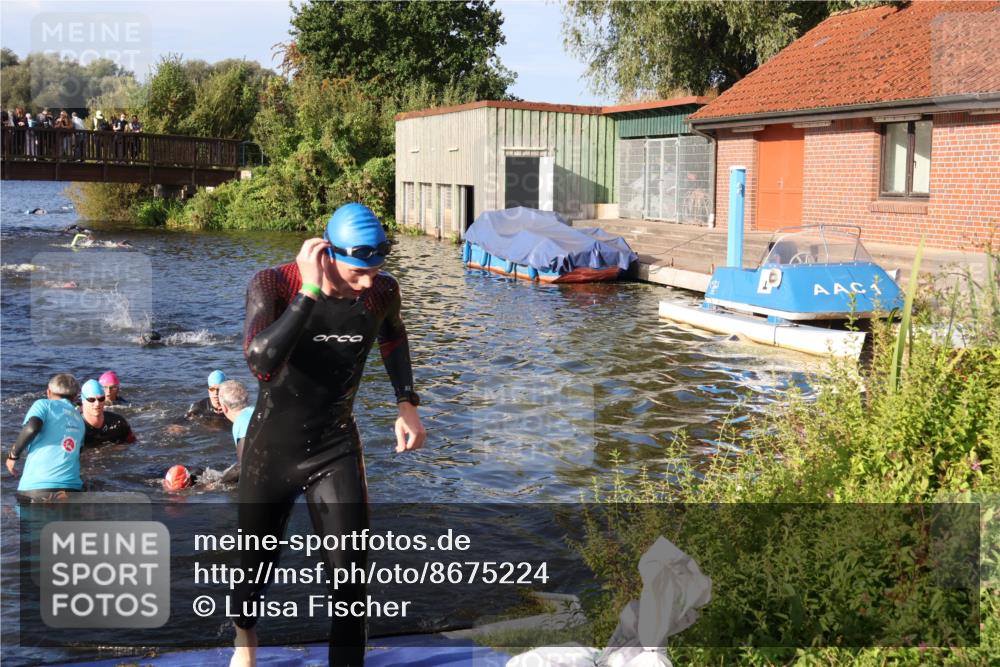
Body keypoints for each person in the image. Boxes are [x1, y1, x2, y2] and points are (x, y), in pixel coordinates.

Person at [231, 202, 425, 667]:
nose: (369, 282)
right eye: (360, 271)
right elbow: (260, 362)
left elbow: (393, 337)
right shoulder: (275, 283)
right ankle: (245, 639)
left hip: (334, 447)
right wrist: (310, 292)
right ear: (328, 255)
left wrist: (406, 404)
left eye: (377, 269)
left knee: (351, 582)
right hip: (269, 452)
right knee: (251, 573)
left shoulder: (381, 291)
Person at [5, 373, 86, 503]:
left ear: (48, 392)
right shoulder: (80, 419)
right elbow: (78, 453)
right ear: (75, 396)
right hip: (72, 490)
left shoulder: (43, 404)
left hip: (36, 488)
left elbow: (32, 427)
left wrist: (13, 455)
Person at [79, 380, 136, 448]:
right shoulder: (75, 426)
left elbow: (134, 445)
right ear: (83, 401)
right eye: (91, 400)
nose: (97, 404)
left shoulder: (118, 423)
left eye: (101, 399)